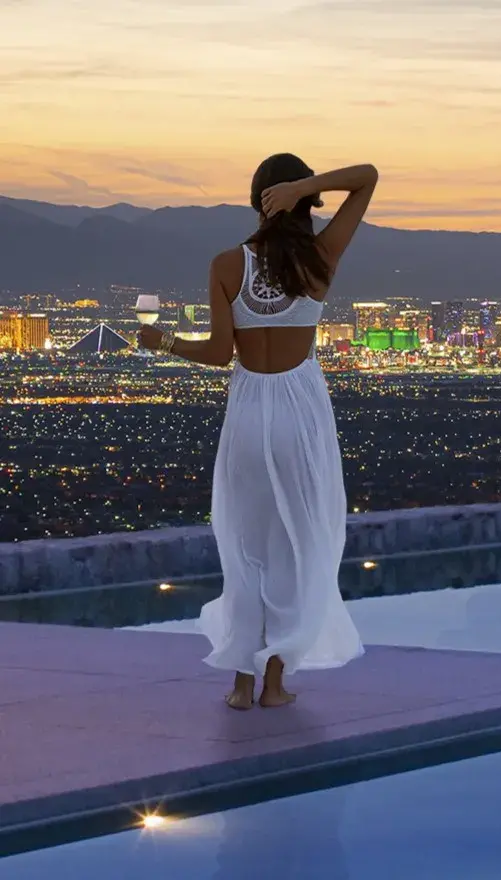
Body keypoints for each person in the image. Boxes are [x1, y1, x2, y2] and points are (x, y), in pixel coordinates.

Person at [139, 154, 380, 709]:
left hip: (249, 412)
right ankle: (275, 683)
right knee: (295, 547)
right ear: (302, 201)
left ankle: (241, 685)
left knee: (246, 548)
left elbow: (222, 353)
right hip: (300, 412)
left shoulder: (227, 265)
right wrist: (308, 186)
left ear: (256, 199)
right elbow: (367, 177)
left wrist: (166, 344)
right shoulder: (321, 257)